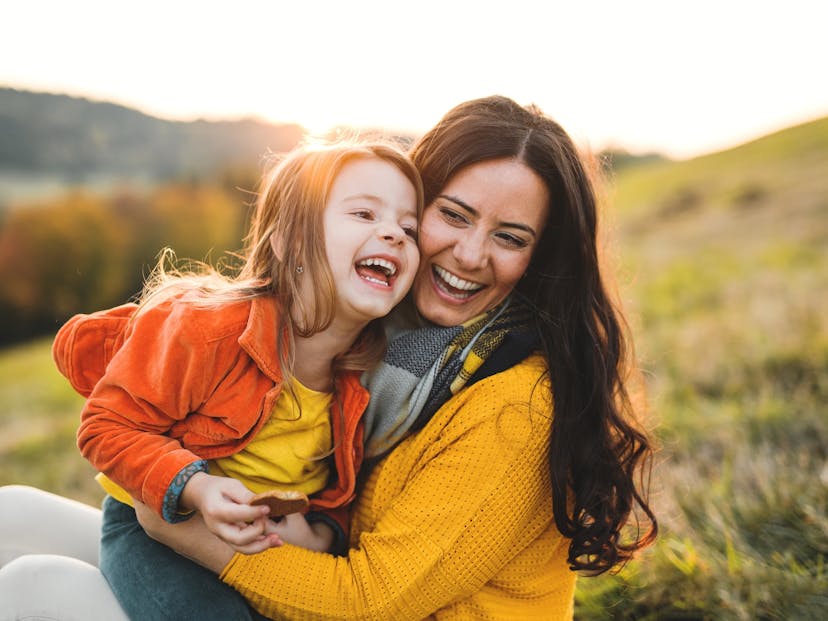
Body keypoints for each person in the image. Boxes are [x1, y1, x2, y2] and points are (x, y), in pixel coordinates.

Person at [0, 95, 657, 620]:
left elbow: (372, 601)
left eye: (509, 238)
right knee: (14, 515)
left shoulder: (512, 401)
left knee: (38, 588)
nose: (469, 254)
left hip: (353, 604)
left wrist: (178, 520)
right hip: (271, 558)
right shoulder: (382, 344)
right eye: (451, 215)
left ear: (540, 259)